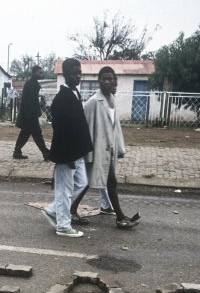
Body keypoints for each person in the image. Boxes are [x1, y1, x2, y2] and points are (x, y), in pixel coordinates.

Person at [78, 66, 140, 229]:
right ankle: (119, 217)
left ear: (114, 81)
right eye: (103, 78)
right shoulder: (93, 102)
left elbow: (115, 128)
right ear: (98, 81)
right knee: (88, 182)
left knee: (107, 181)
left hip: (108, 150)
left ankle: (118, 215)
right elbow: (86, 127)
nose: (107, 81)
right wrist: (88, 151)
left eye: (110, 78)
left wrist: (118, 148)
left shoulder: (111, 100)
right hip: (96, 150)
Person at [40, 58, 93, 238]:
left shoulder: (73, 93)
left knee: (82, 183)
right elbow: (61, 130)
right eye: (73, 73)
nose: (78, 76)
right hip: (67, 154)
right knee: (64, 189)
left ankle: (53, 210)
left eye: (79, 73)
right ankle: (63, 226)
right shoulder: (62, 98)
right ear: (65, 75)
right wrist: (68, 156)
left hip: (76, 152)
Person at [13, 65, 49, 161]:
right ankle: (45, 153)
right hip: (29, 115)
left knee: (25, 134)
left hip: (29, 115)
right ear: (34, 73)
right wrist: (34, 114)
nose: (41, 74)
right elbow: (30, 102)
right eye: (40, 72)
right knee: (37, 134)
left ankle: (17, 152)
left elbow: (33, 101)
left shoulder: (32, 83)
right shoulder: (31, 84)